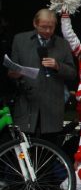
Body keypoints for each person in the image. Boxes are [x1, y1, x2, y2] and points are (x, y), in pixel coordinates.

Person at [8, 9, 75, 144]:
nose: (48, 30)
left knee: (50, 147)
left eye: (51, 27)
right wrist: (15, 73)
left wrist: (58, 66)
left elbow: (72, 73)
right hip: (27, 103)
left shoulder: (63, 44)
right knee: (23, 146)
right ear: (35, 23)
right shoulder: (20, 40)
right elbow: (11, 70)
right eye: (44, 26)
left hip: (52, 105)